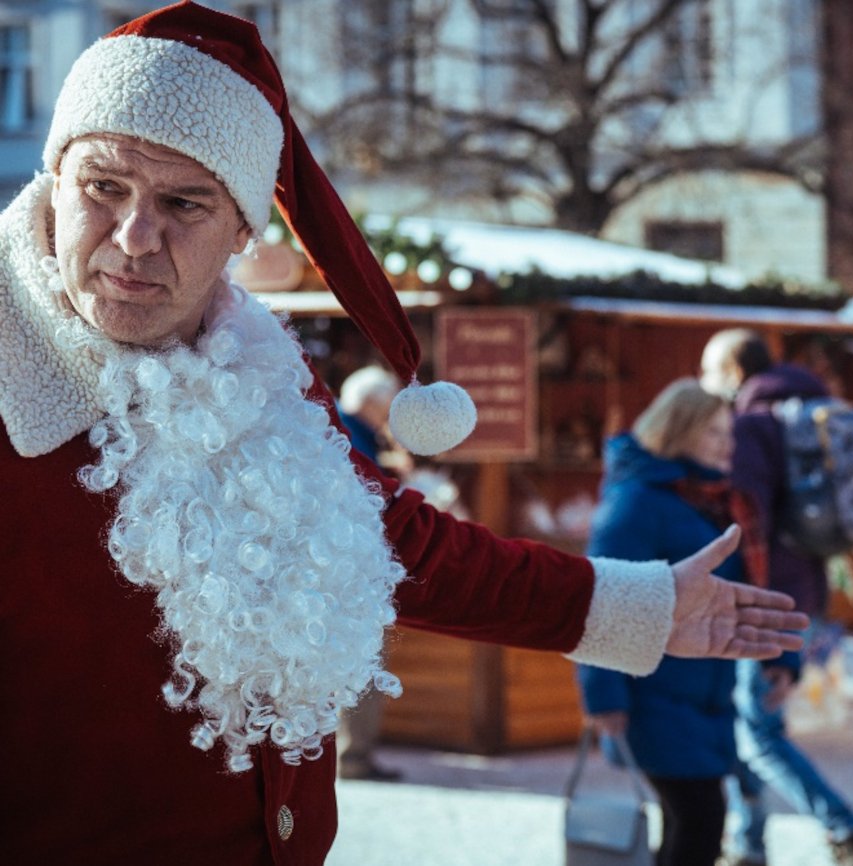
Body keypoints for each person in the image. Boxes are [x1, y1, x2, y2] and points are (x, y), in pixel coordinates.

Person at [0, 5, 808, 863]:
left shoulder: (261, 375)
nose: (133, 238)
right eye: (103, 187)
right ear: (55, 180)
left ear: (242, 231)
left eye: (183, 202)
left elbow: (400, 547)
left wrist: (620, 605)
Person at [699, 329, 853, 866]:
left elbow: (748, 518)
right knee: (749, 724)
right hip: (807, 589)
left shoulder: (755, 424)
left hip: (766, 595)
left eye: (710, 370)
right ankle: (747, 841)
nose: (706, 383)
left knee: (757, 735)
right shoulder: (815, 410)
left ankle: (846, 827)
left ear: (735, 372)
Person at [578, 378, 758, 866]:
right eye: (715, 432)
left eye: (729, 432)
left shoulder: (702, 498)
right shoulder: (639, 501)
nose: (729, 445)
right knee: (700, 820)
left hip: (699, 694)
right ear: (680, 432)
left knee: (691, 824)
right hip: (652, 694)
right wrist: (604, 695)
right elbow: (603, 597)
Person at [333, 365, 403, 780]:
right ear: (374, 403)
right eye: (389, 407)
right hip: (350, 575)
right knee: (362, 667)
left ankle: (351, 755)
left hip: (338, 569)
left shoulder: (338, 425)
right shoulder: (353, 436)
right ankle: (354, 757)